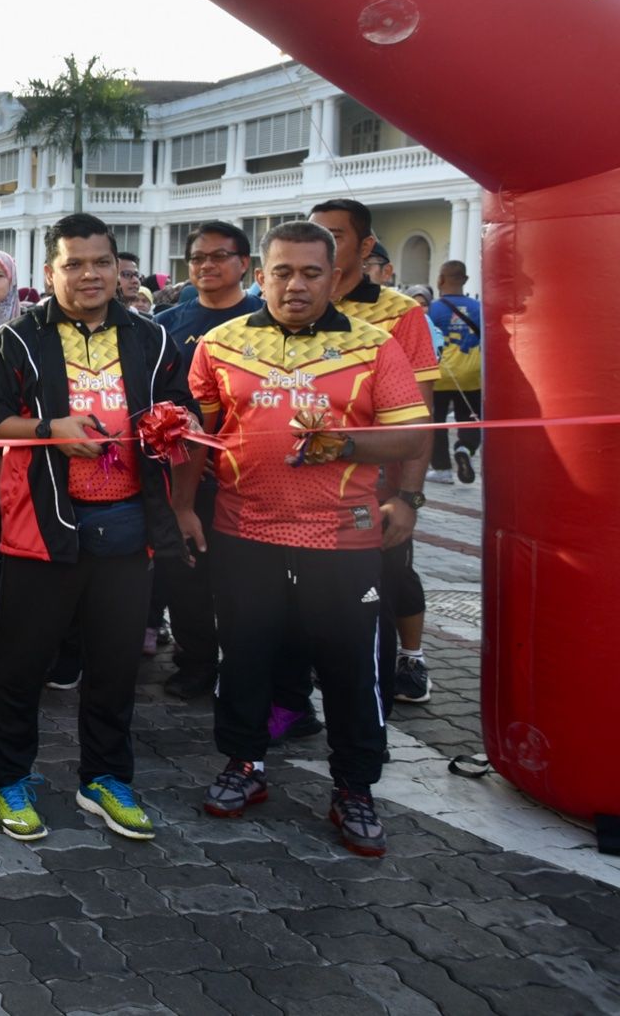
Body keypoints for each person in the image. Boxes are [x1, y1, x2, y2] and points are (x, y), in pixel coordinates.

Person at [177, 220, 430, 857]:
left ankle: (355, 787)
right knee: (245, 655)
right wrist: (181, 507)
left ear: (333, 277)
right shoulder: (219, 343)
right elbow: (194, 437)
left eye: (311, 273)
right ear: (261, 276)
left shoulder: (374, 345)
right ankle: (244, 764)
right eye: (284, 272)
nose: (296, 285)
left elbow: (412, 435)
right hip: (244, 530)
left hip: (343, 537)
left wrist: (351, 450)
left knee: (352, 667)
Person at [0, 213, 193, 845]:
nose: (89, 275)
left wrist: (172, 425)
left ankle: (105, 778)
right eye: (74, 264)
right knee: (20, 664)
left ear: (118, 267)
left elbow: (181, 411)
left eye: (101, 262)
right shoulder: (17, 340)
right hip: (44, 525)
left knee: (116, 666)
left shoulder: (152, 337)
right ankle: (9, 777)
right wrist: (50, 431)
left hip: (127, 525)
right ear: (51, 272)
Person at [308, 199, 440, 709]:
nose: (321, 244)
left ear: (365, 247)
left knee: (384, 590)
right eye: (314, 233)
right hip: (296, 492)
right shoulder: (287, 303)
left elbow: (419, 417)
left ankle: (384, 693)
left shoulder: (399, 314)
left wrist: (409, 497)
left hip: (372, 490)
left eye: (335, 235)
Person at [152, 221, 261, 703]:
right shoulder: (166, 324)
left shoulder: (264, 319)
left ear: (244, 264)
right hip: (180, 471)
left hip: (248, 474)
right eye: (197, 257)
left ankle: (245, 668)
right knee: (185, 572)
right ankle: (195, 662)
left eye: (219, 256)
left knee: (243, 581)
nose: (206, 266)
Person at [428, 261, 482, 486]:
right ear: (466, 280)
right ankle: (465, 449)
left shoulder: (433, 309)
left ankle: (442, 469)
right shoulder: (479, 308)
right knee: (471, 419)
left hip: (440, 374)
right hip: (471, 375)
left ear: (440, 280)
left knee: (436, 422)